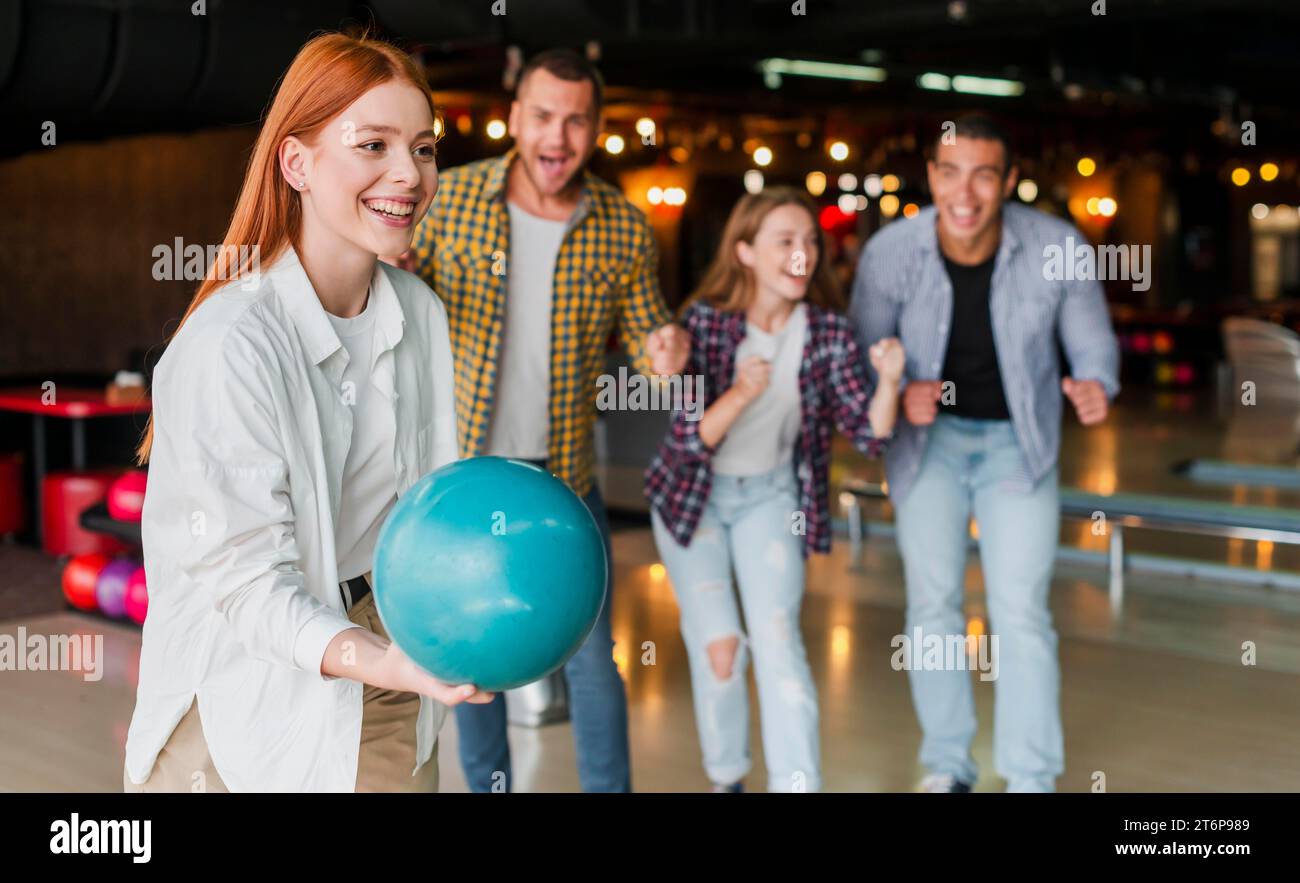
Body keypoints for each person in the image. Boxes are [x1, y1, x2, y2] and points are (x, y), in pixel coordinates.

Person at [123, 32, 493, 794]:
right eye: (373, 145)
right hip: (241, 689)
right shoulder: (232, 342)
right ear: (296, 163)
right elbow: (250, 583)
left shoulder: (418, 312)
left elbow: (427, 501)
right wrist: (382, 656)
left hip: (390, 648)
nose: (409, 174)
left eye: (423, 149)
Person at [408, 48, 688, 793]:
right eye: (542, 116)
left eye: (574, 120)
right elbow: (397, 293)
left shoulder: (622, 227)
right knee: (472, 657)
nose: (556, 137)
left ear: (595, 129)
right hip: (463, 481)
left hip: (563, 481)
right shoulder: (451, 198)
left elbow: (649, 333)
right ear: (515, 118)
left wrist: (666, 352)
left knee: (594, 661)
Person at [851, 114, 1120, 793]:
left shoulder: (1058, 246)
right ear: (931, 177)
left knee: (1021, 608)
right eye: (950, 172)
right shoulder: (890, 252)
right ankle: (948, 763)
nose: (964, 192)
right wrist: (895, 387)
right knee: (932, 605)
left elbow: (1093, 341)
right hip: (927, 445)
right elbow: (859, 357)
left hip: (1017, 448)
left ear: (1008, 180)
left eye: (983, 174)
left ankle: (1030, 775)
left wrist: (1095, 384)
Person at [645, 187, 904, 793]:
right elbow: (687, 442)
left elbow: (869, 434)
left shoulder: (828, 334)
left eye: (810, 241)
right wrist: (739, 392)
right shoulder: (705, 323)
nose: (802, 254)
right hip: (692, 501)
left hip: (772, 499)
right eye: (784, 241)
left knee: (781, 645)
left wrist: (890, 379)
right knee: (722, 651)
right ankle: (727, 779)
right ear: (745, 252)